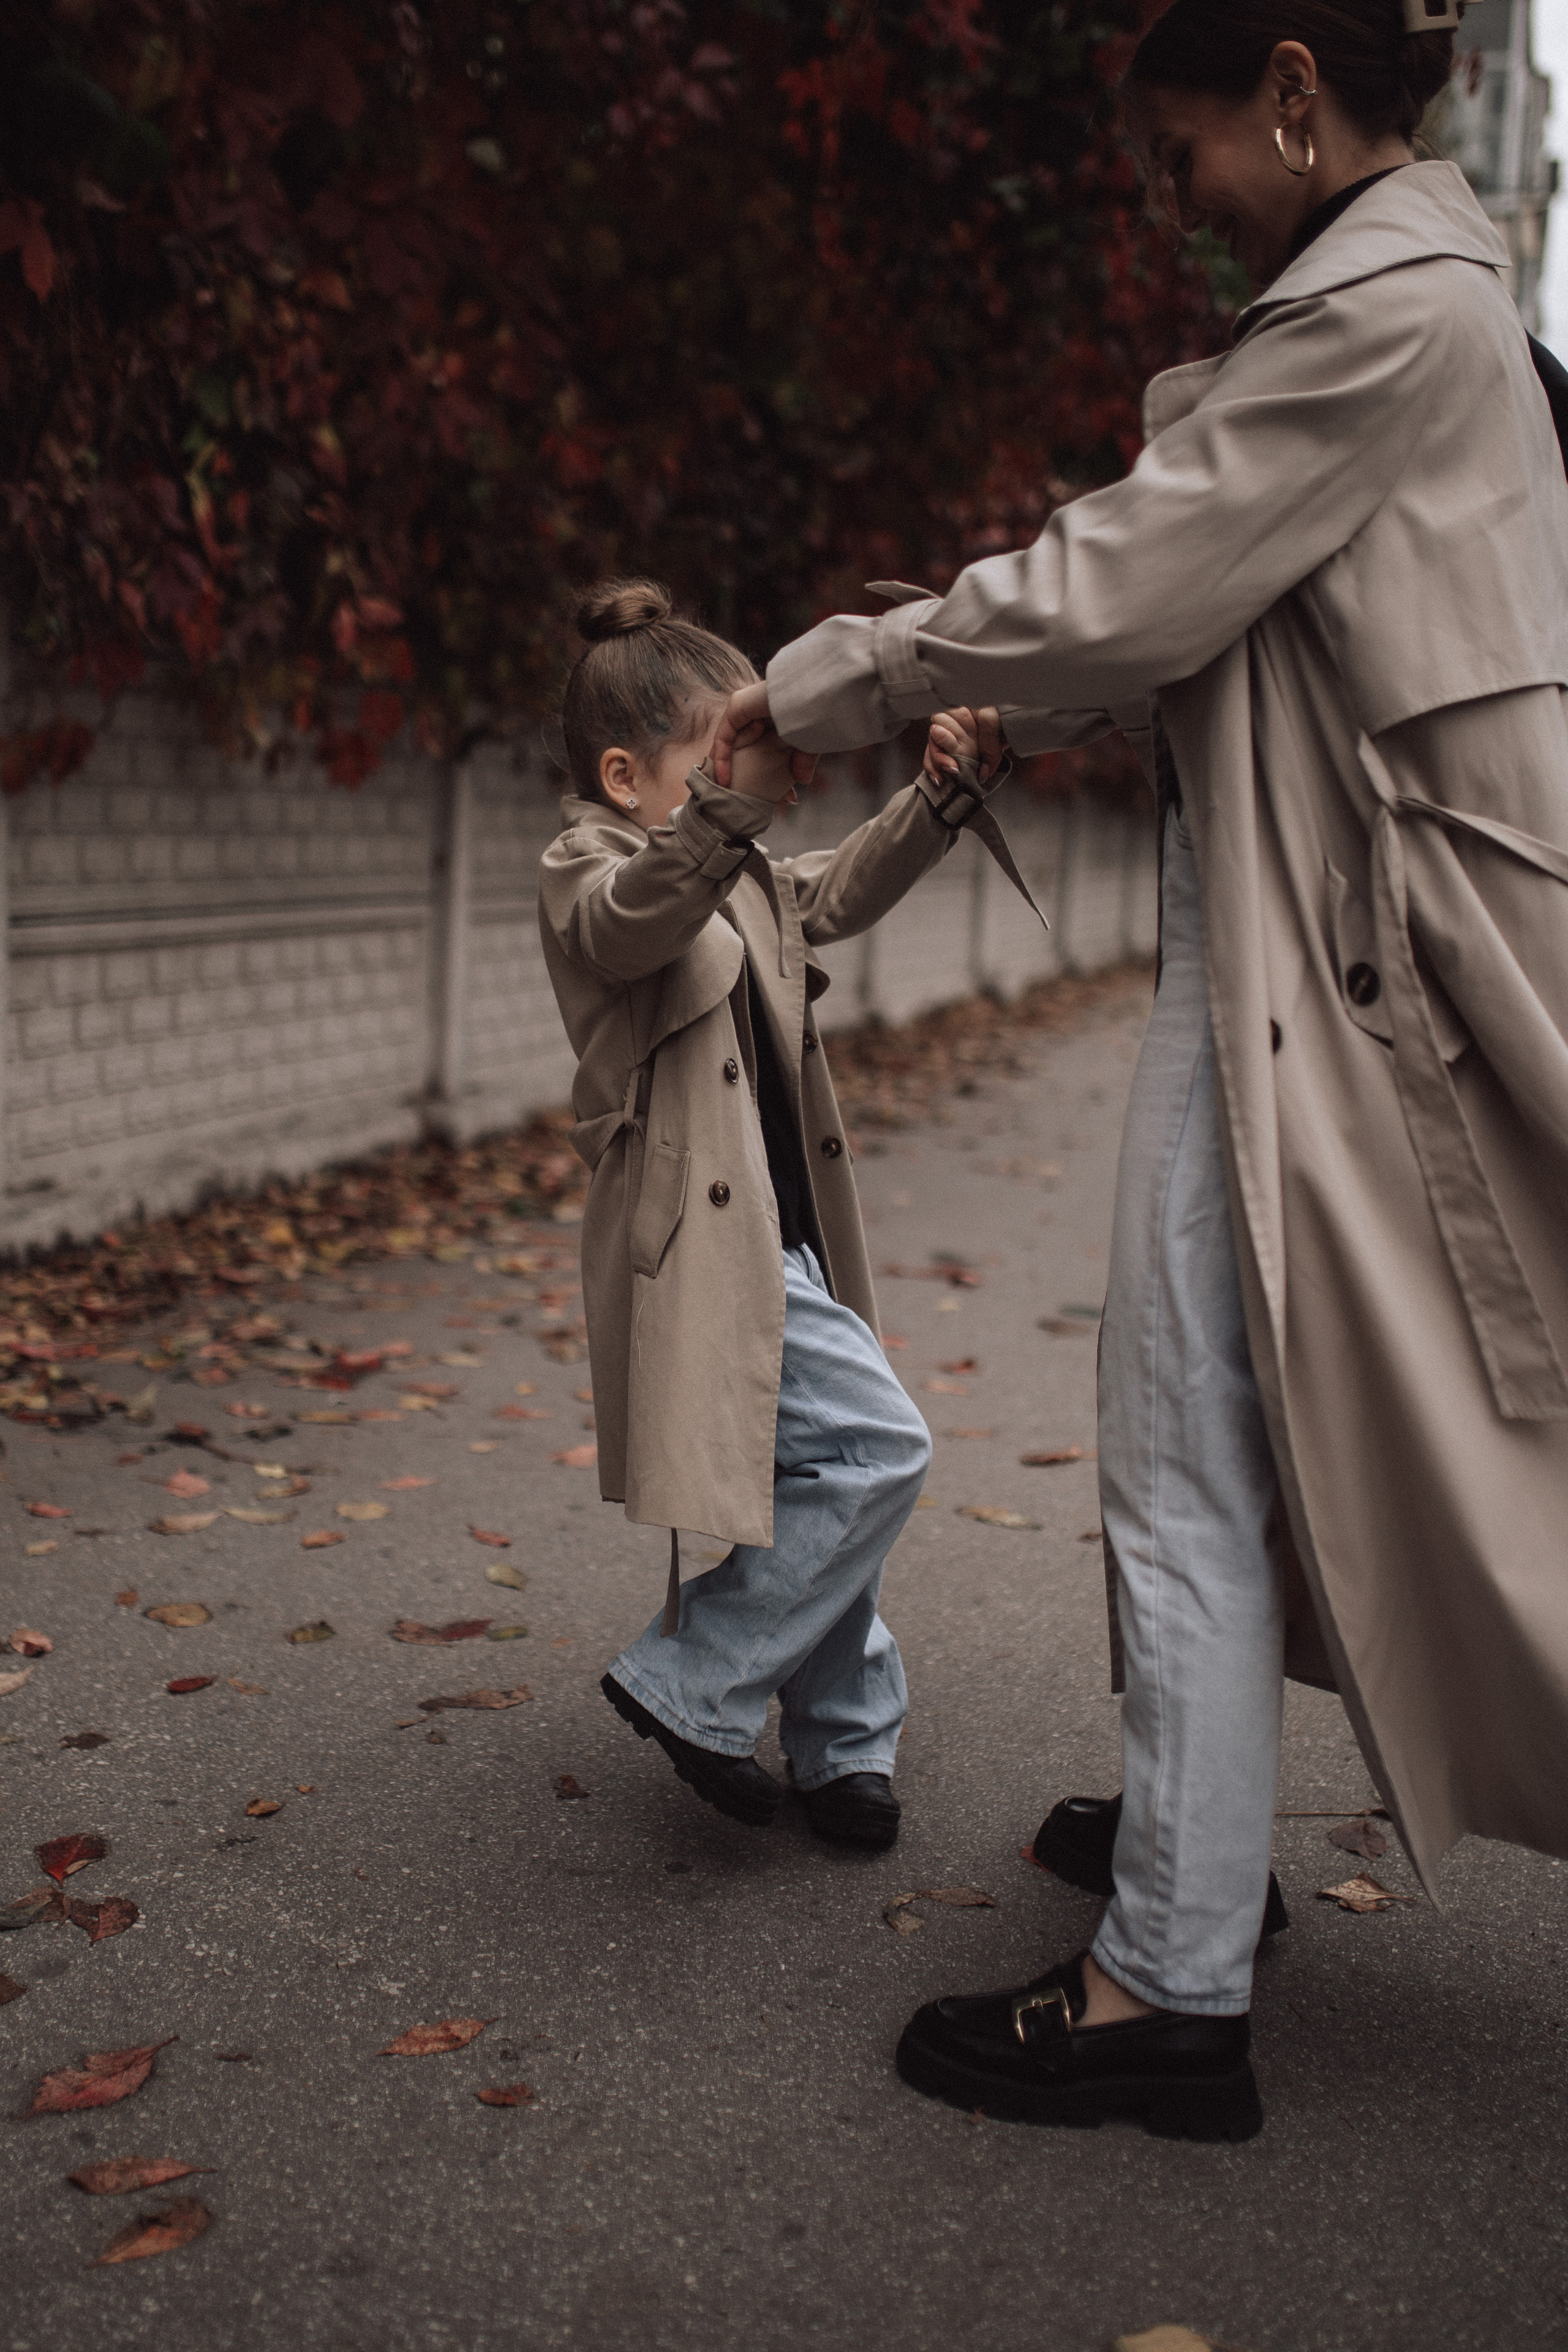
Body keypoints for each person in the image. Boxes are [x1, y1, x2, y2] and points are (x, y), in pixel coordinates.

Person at [710, 0, 1568, 2139]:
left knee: (1187, 1431)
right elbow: (1217, 615)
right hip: (1319, 946)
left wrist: (826, 682)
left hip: (1349, 968)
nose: (1168, 199)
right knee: (1234, 1429)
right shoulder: (1413, 305)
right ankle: (1199, 1853)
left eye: (1184, 149)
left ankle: (1171, 1985)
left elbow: (1122, 578)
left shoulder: (1380, 319)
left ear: (1296, 94)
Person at [538, 579, 1039, 1852]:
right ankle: (691, 1679)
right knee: (877, 1448)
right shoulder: (588, 873)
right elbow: (634, 923)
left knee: (832, 1473)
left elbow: (835, 887)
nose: (758, 777)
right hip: (699, 1243)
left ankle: (840, 1743)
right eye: (722, 750)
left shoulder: (740, 870)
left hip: (784, 1227)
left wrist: (939, 797)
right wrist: (729, 807)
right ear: (620, 774)